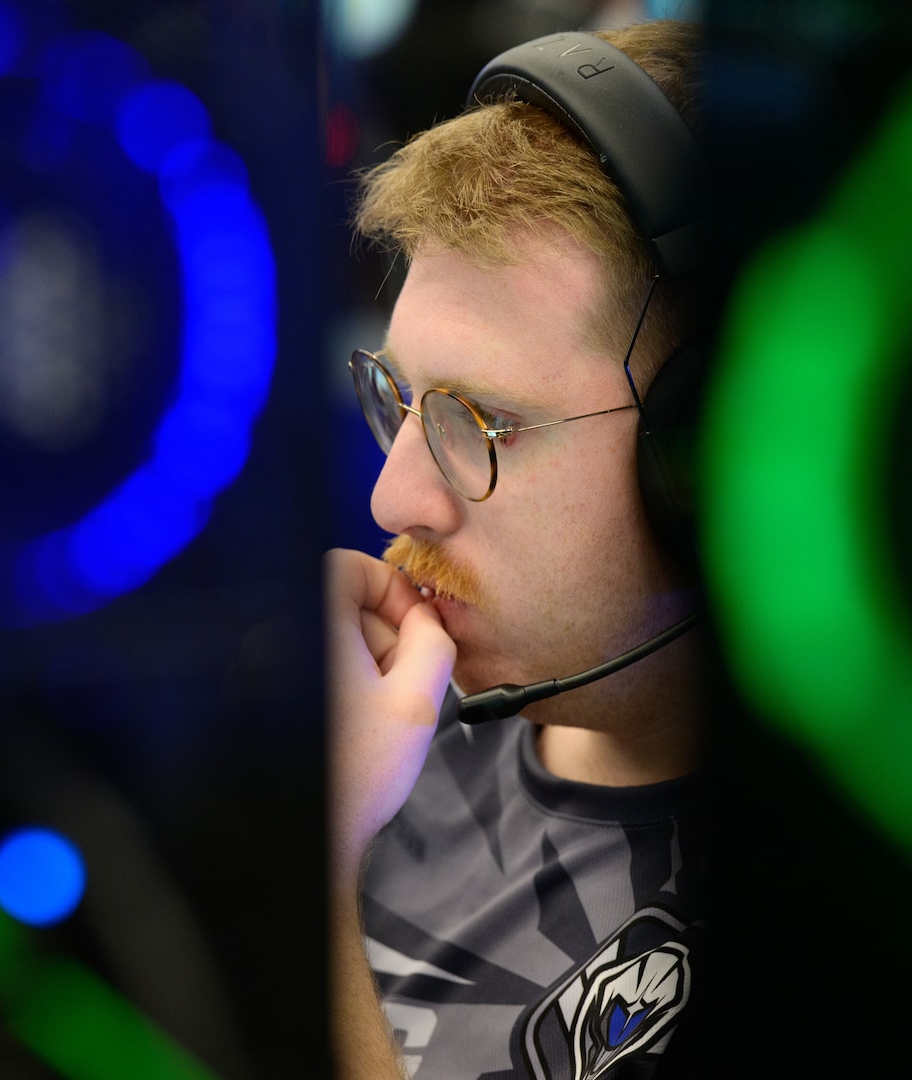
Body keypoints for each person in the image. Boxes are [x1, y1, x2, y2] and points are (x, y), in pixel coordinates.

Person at [326, 18, 711, 1079]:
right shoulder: (388, 731)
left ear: (701, 456)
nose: (393, 493)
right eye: (399, 399)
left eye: (480, 420)